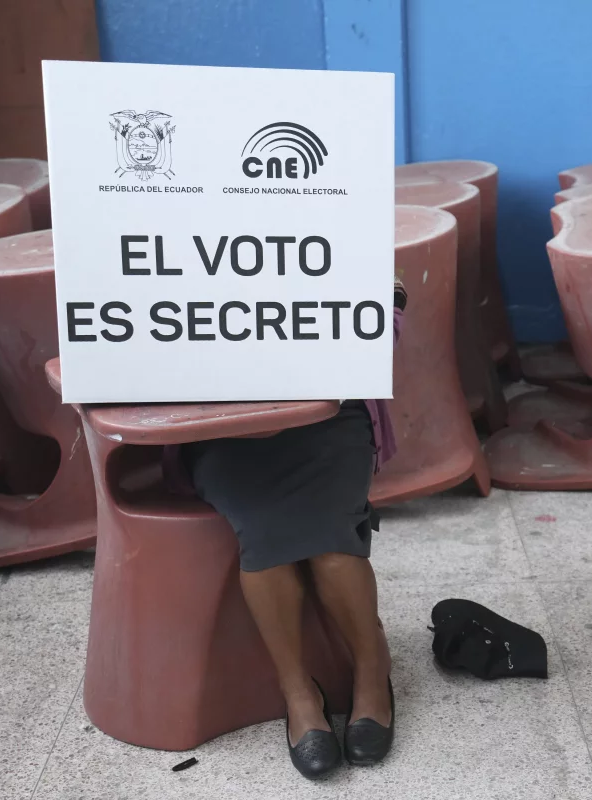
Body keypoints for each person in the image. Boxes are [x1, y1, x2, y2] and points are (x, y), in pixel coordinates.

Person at [164, 277, 407, 781]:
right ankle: (298, 692)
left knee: (333, 543)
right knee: (266, 537)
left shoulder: (322, 207)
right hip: (222, 424)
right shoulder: (166, 225)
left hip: (329, 413)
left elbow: (388, 313)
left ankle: (371, 673)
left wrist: (377, 310)